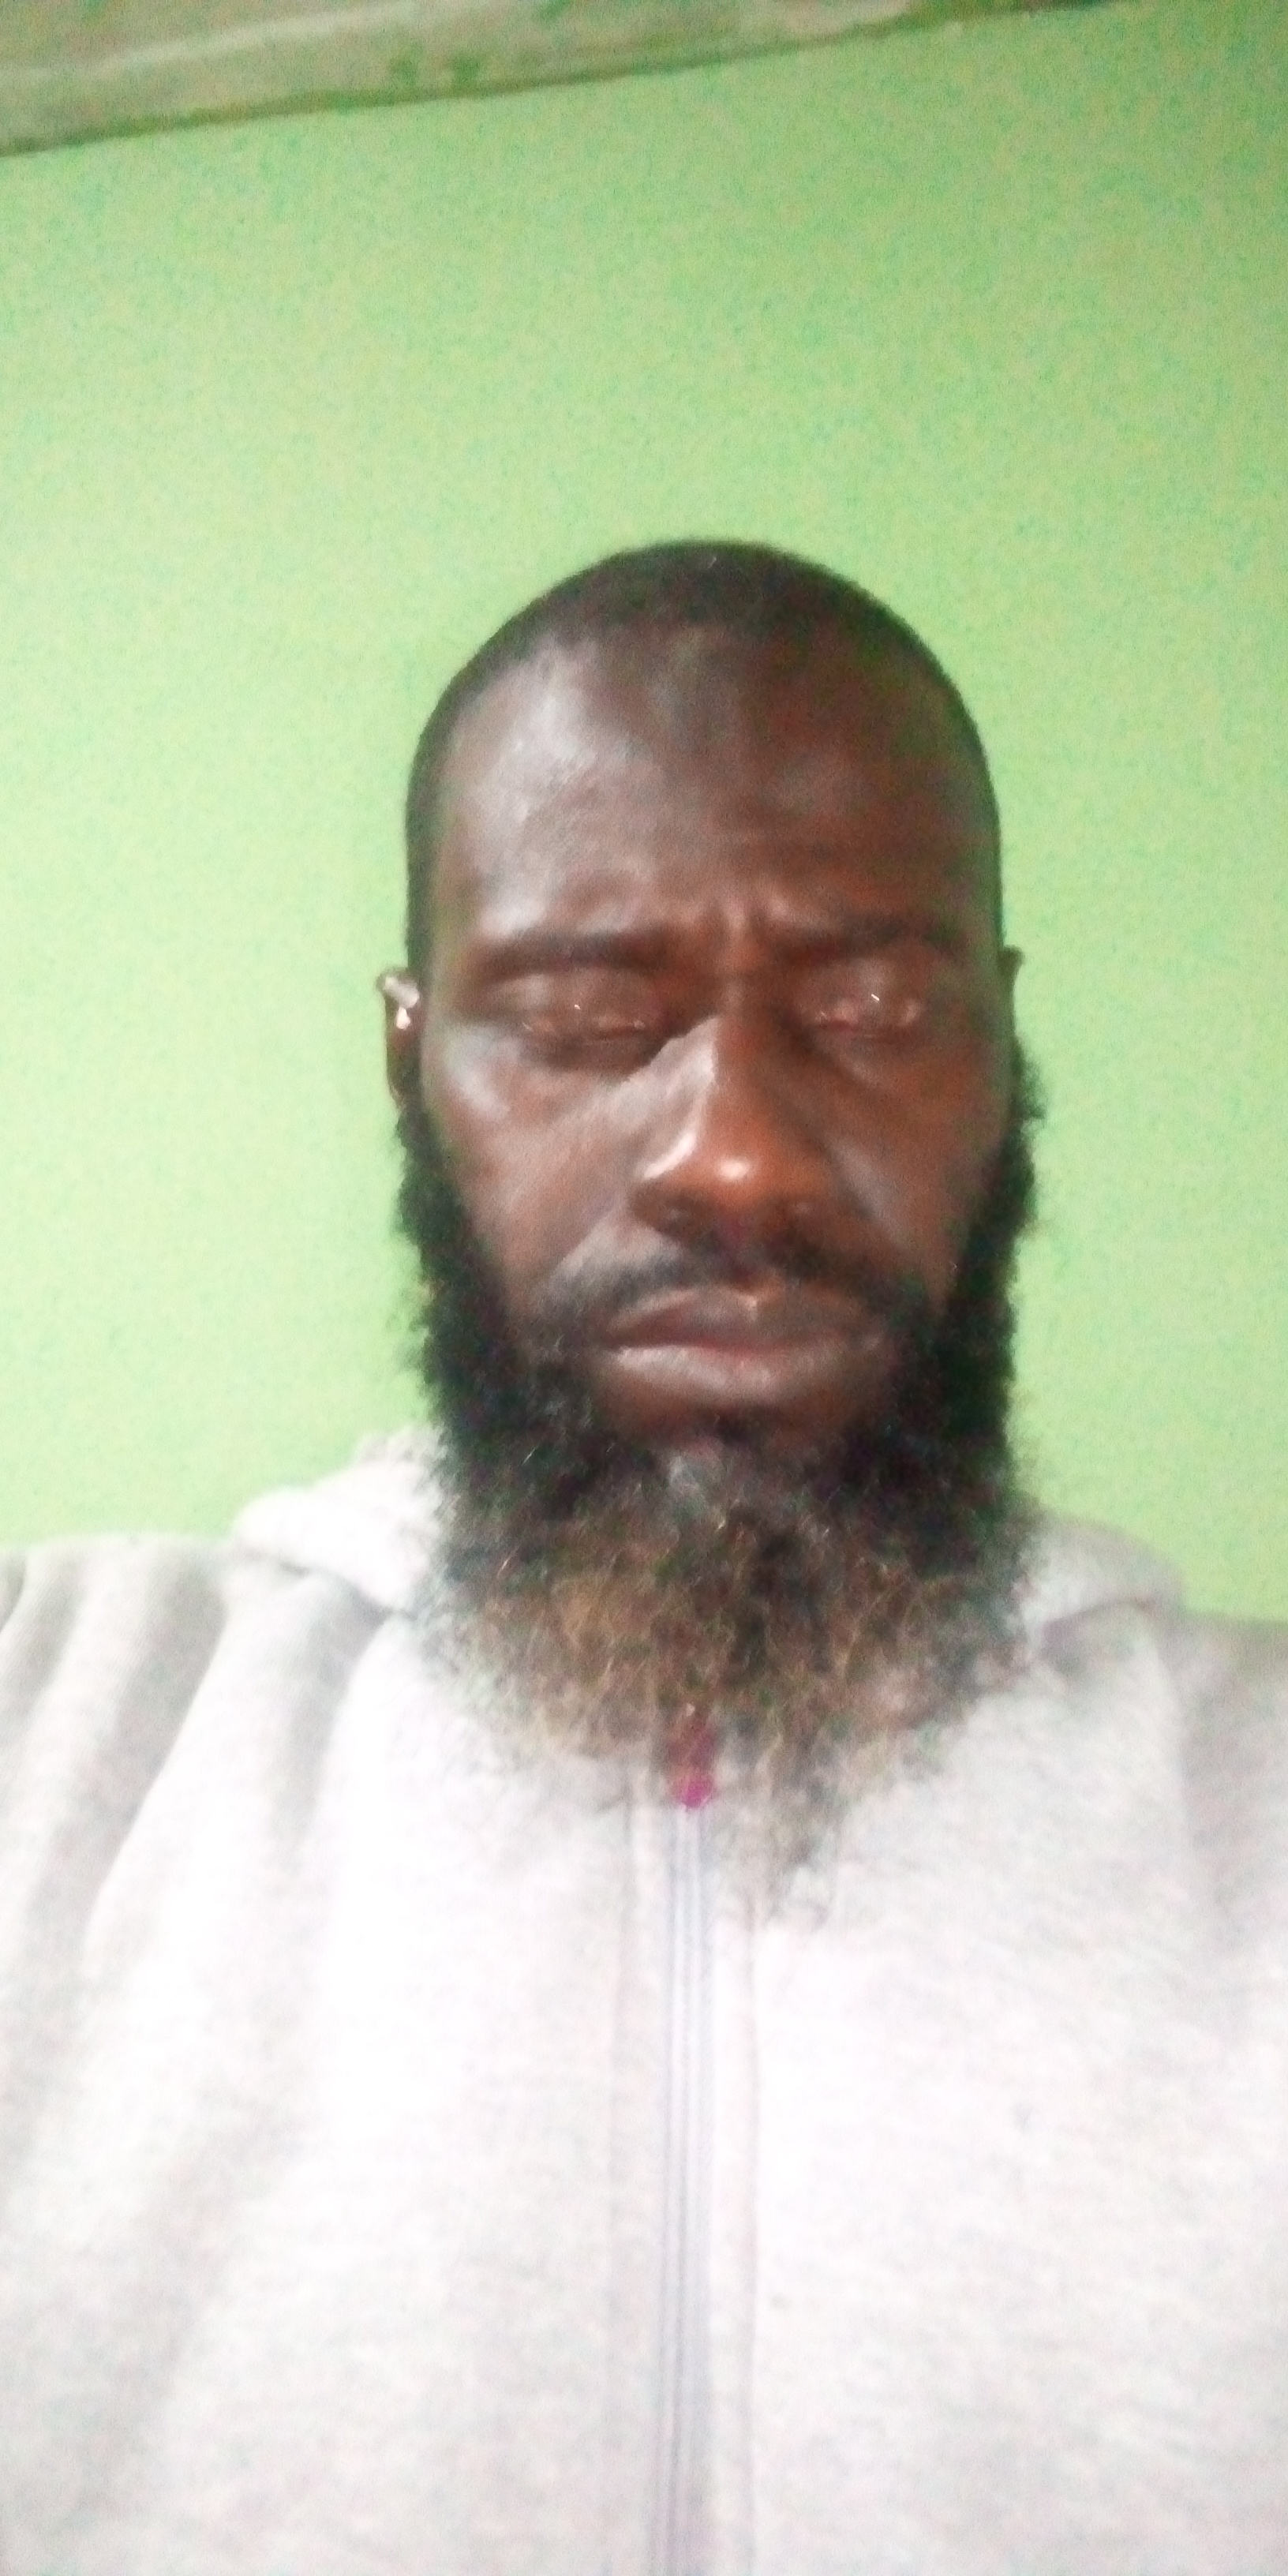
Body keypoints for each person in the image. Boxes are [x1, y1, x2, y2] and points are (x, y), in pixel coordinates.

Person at [1, 541, 1285, 2576]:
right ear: (413, 1057)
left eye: (875, 1007)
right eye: (589, 1019)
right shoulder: (48, 1726)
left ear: (1003, 1052)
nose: (737, 1156)